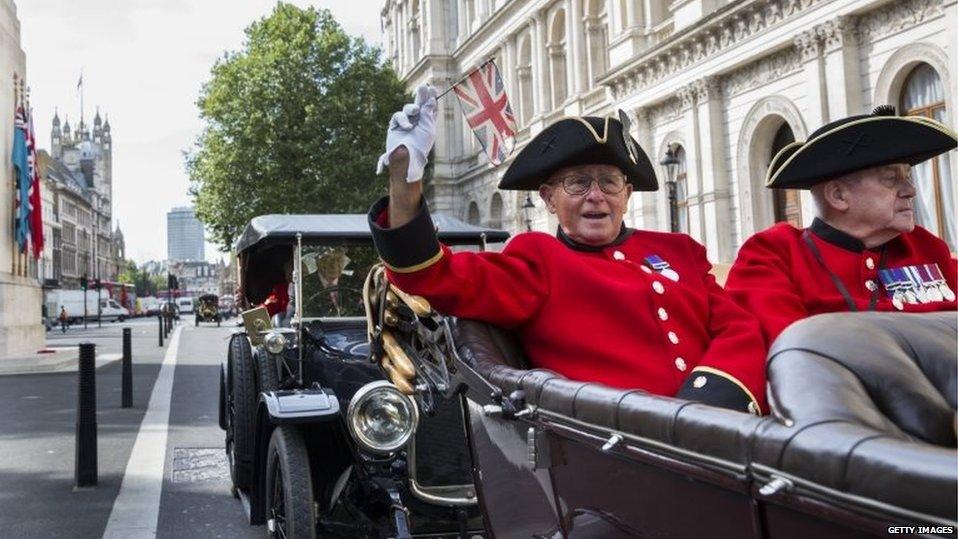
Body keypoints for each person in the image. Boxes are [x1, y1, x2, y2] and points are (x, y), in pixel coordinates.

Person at [367, 85, 768, 415]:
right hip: (620, 450)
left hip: (723, 430)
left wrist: (711, 400)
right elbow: (427, 273)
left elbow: (738, 327)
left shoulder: (679, 251)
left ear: (627, 195)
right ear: (548, 199)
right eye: (577, 183)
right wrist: (405, 179)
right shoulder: (536, 259)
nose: (596, 196)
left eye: (609, 182)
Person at [725, 105, 958, 347]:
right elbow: (794, 355)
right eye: (891, 179)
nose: (911, 190)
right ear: (838, 195)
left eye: (907, 177)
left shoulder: (925, 247)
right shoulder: (775, 256)